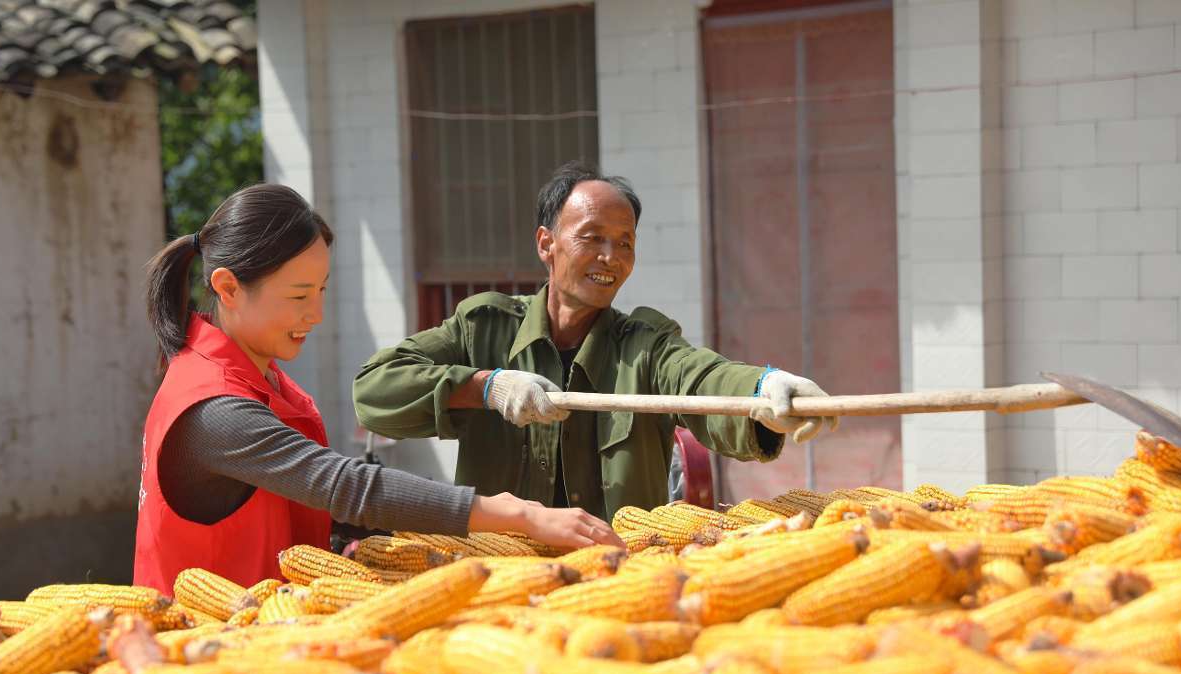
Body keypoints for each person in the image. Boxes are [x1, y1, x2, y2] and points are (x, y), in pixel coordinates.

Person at [133, 183, 619, 594]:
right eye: (299, 296)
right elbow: (344, 485)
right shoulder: (213, 407)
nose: (316, 315)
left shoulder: (255, 372)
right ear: (229, 288)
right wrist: (521, 515)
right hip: (207, 651)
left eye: (321, 290)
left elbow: (310, 499)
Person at [353, 161, 837, 521]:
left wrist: (764, 389)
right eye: (593, 237)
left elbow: (703, 378)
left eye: (625, 242)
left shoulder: (645, 346)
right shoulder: (483, 327)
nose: (611, 257)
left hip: (618, 585)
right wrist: (485, 387)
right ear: (546, 243)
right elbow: (375, 389)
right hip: (499, 584)